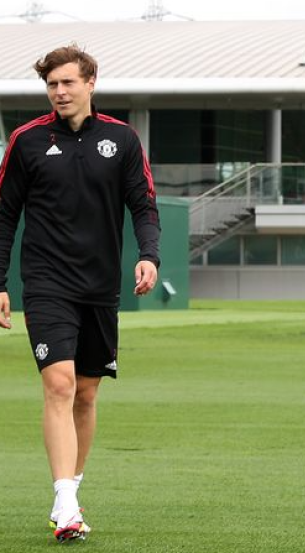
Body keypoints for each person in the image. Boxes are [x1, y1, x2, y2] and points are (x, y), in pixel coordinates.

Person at [0, 45, 161, 542]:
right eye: (52, 84)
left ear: (91, 82)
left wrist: (149, 255)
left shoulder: (122, 139)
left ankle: (69, 490)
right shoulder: (26, 141)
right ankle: (66, 504)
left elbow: (143, 205)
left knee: (86, 394)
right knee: (60, 385)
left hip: (99, 286)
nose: (59, 92)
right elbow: (4, 216)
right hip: (45, 283)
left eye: (68, 82)